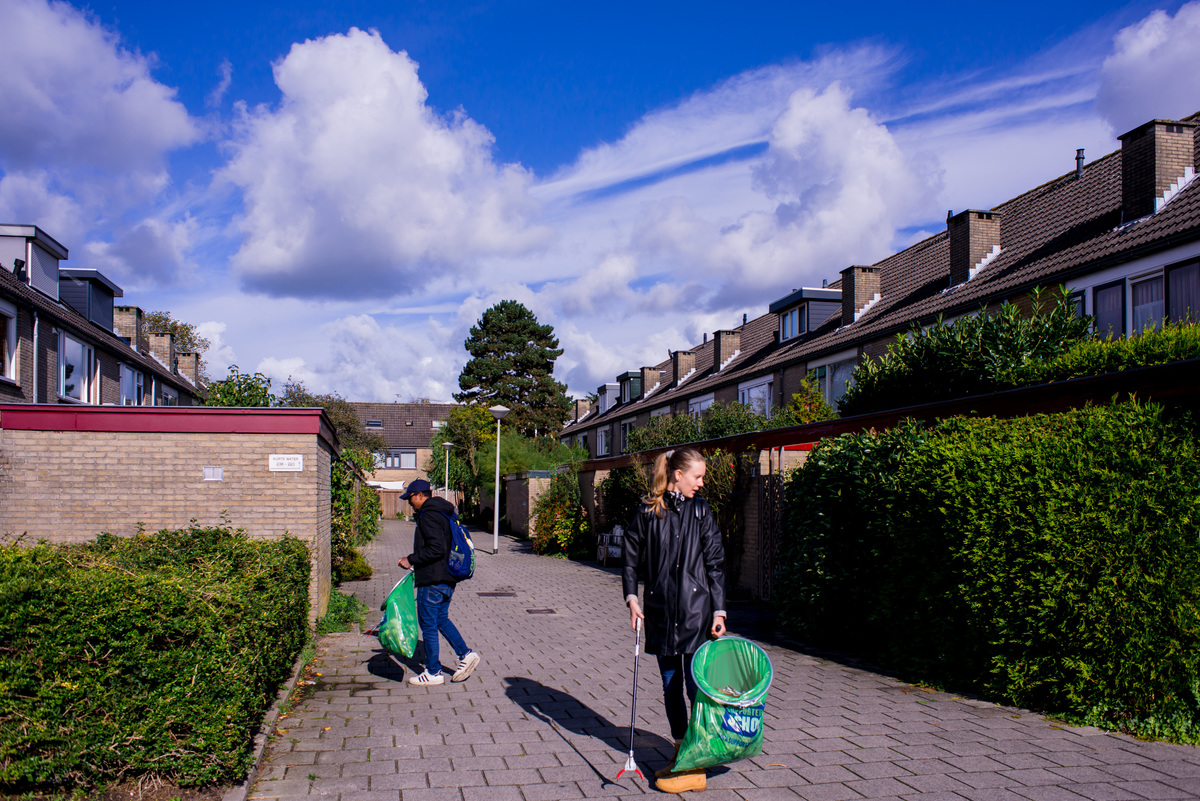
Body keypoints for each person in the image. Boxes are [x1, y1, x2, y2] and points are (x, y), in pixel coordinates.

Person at [623, 448, 726, 794]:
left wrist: (719, 611)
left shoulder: (701, 511)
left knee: (696, 685)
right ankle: (682, 747)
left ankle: (699, 749)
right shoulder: (648, 512)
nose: (702, 483)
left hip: (697, 613)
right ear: (677, 475)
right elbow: (629, 560)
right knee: (670, 684)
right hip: (661, 612)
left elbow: (715, 562)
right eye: (697, 476)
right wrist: (632, 598)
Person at [398, 479, 481, 686]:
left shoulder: (429, 515)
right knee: (440, 619)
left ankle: (433, 672)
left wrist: (411, 559)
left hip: (433, 579)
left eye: (410, 499)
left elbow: (436, 548)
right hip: (447, 577)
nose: (410, 504)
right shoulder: (444, 513)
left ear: (419, 495)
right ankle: (466, 654)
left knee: (428, 624)